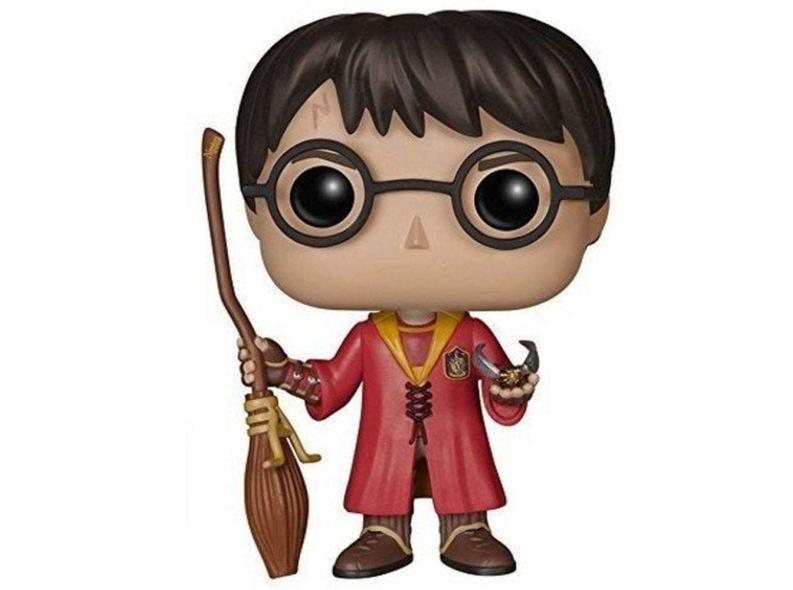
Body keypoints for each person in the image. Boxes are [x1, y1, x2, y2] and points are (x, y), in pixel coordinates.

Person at [234, 11, 614, 578]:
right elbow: (329, 385)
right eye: (327, 196)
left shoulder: (471, 335)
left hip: (456, 447)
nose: (416, 236)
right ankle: (384, 530)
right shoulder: (368, 339)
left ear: (595, 210)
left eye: (504, 197)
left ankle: (466, 527)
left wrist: (510, 390)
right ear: (255, 211)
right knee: (381, 486)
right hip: (385, 449)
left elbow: (499, 389)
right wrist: (281, 371)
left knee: (463, 481)